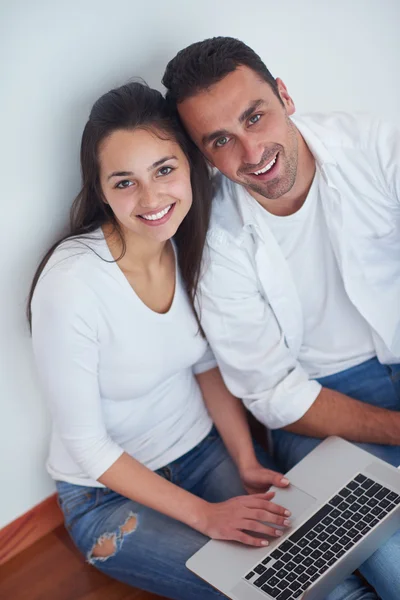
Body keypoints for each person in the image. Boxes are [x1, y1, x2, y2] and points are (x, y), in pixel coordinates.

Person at [28, 81, 292, 600]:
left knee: (306, 558)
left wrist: (243, 459)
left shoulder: (189, 240)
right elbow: (86, 445)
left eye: (164, 170)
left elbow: (204, 364)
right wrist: (206, 516)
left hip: (202, 451)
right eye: (124, 182)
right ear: (100, 189)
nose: (151, 199)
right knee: (257, 590)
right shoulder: (71, 286)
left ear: (190, 165)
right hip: (103, 497)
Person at [162, 37, 400, 599]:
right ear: (204, 156)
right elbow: (273, 394)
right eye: (222, 140)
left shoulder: (375, 144)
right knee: (390, 558)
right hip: (324, 404)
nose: (251, 153)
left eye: (255, 116)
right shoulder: (214, 241)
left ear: (285, 96)